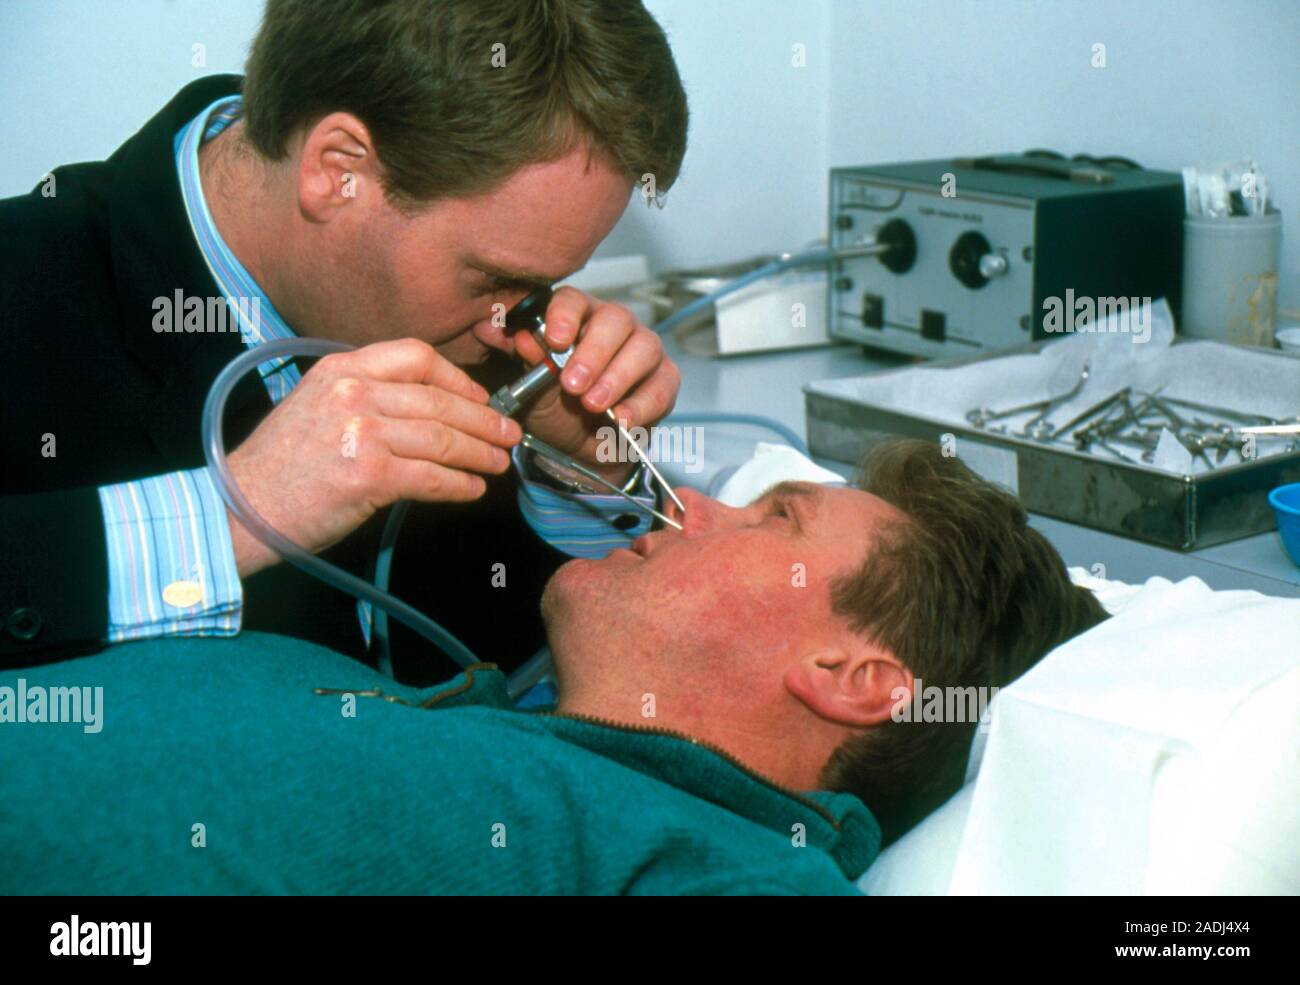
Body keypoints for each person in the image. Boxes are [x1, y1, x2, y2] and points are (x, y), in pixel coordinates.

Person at [0, 440, 1111, 894]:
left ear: (850, 674)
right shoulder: (504, 740)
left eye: (774, 515)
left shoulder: (732, 867)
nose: (695, 498)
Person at [0, 0, 688, 682]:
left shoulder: (486, 319)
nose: (509, 324)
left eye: (539, 285)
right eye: (496, 278)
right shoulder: (25, 293)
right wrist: (237, 512)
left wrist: (580, 474)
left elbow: (492, 674)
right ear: (338, 170)